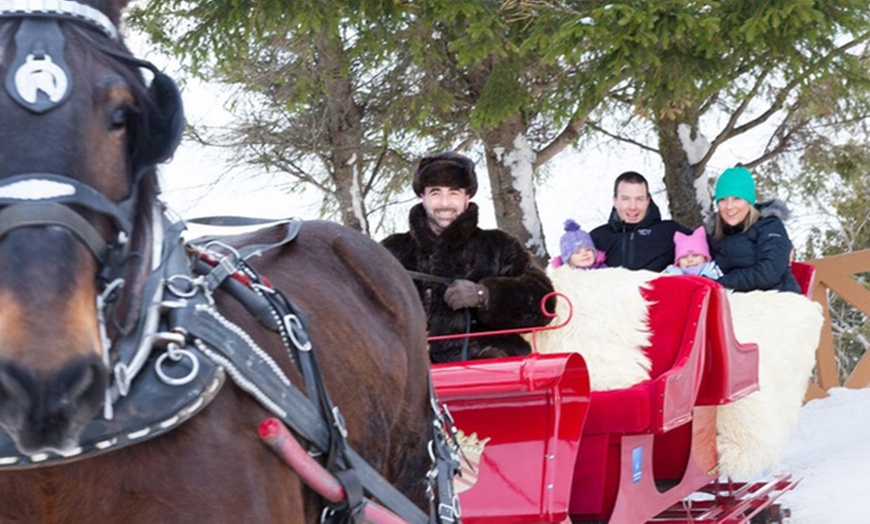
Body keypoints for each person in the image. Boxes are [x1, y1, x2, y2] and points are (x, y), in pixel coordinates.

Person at [381, 152, 555, 363]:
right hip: (414, 373)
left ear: (467, 197)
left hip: (495, 367)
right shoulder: (392, 252)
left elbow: (544, 303)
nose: (445, 203)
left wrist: (485, 295)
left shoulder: (499, 244)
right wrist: (407, 338)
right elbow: (362, 310)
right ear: (422, 196)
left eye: (454, 193)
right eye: (435, 193)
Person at [709, 166, 800, 293]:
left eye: (737, 198)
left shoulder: (769, 225)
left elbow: (769, 272)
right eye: (723, 200)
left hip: (776, 297)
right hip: (735, 300)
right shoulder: (718, 234)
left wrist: (721, 283)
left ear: (749, 201)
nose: (729, 206)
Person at [590, 171, 690, 272]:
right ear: (615, 201)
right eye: (625, 199)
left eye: (639, 199)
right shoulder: (597, 238)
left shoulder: (669, 232)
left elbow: (701, 251)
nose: (633, 207)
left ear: (647, 201)